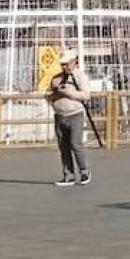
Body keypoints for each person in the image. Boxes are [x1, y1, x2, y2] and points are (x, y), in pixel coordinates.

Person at [49, 54, 91, 186]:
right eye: (62, 64)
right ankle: (69, 175)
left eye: (67, 63)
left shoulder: (80, 77)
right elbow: (48, 96)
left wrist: (69, 93)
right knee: (63, 146)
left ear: (74, 62)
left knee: (75, 143)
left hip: (75, 114)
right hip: (60, 115)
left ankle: (84, 171)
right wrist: (55, 93)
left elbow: (86, 95)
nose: (64, 66)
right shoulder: (56, 78)